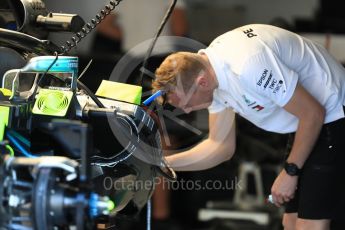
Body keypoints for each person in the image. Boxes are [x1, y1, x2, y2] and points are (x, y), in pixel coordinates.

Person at [151, 24, 345, 230]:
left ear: (202, 82)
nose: (188, 111)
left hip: (333, 111)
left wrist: (290, 171)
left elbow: (313, 113)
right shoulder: (210, 73)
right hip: (305, 121)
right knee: (291, 222)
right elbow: (219, 146)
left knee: (309, 225)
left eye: (187, 103)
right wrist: (160, 163)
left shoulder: (247, 65)